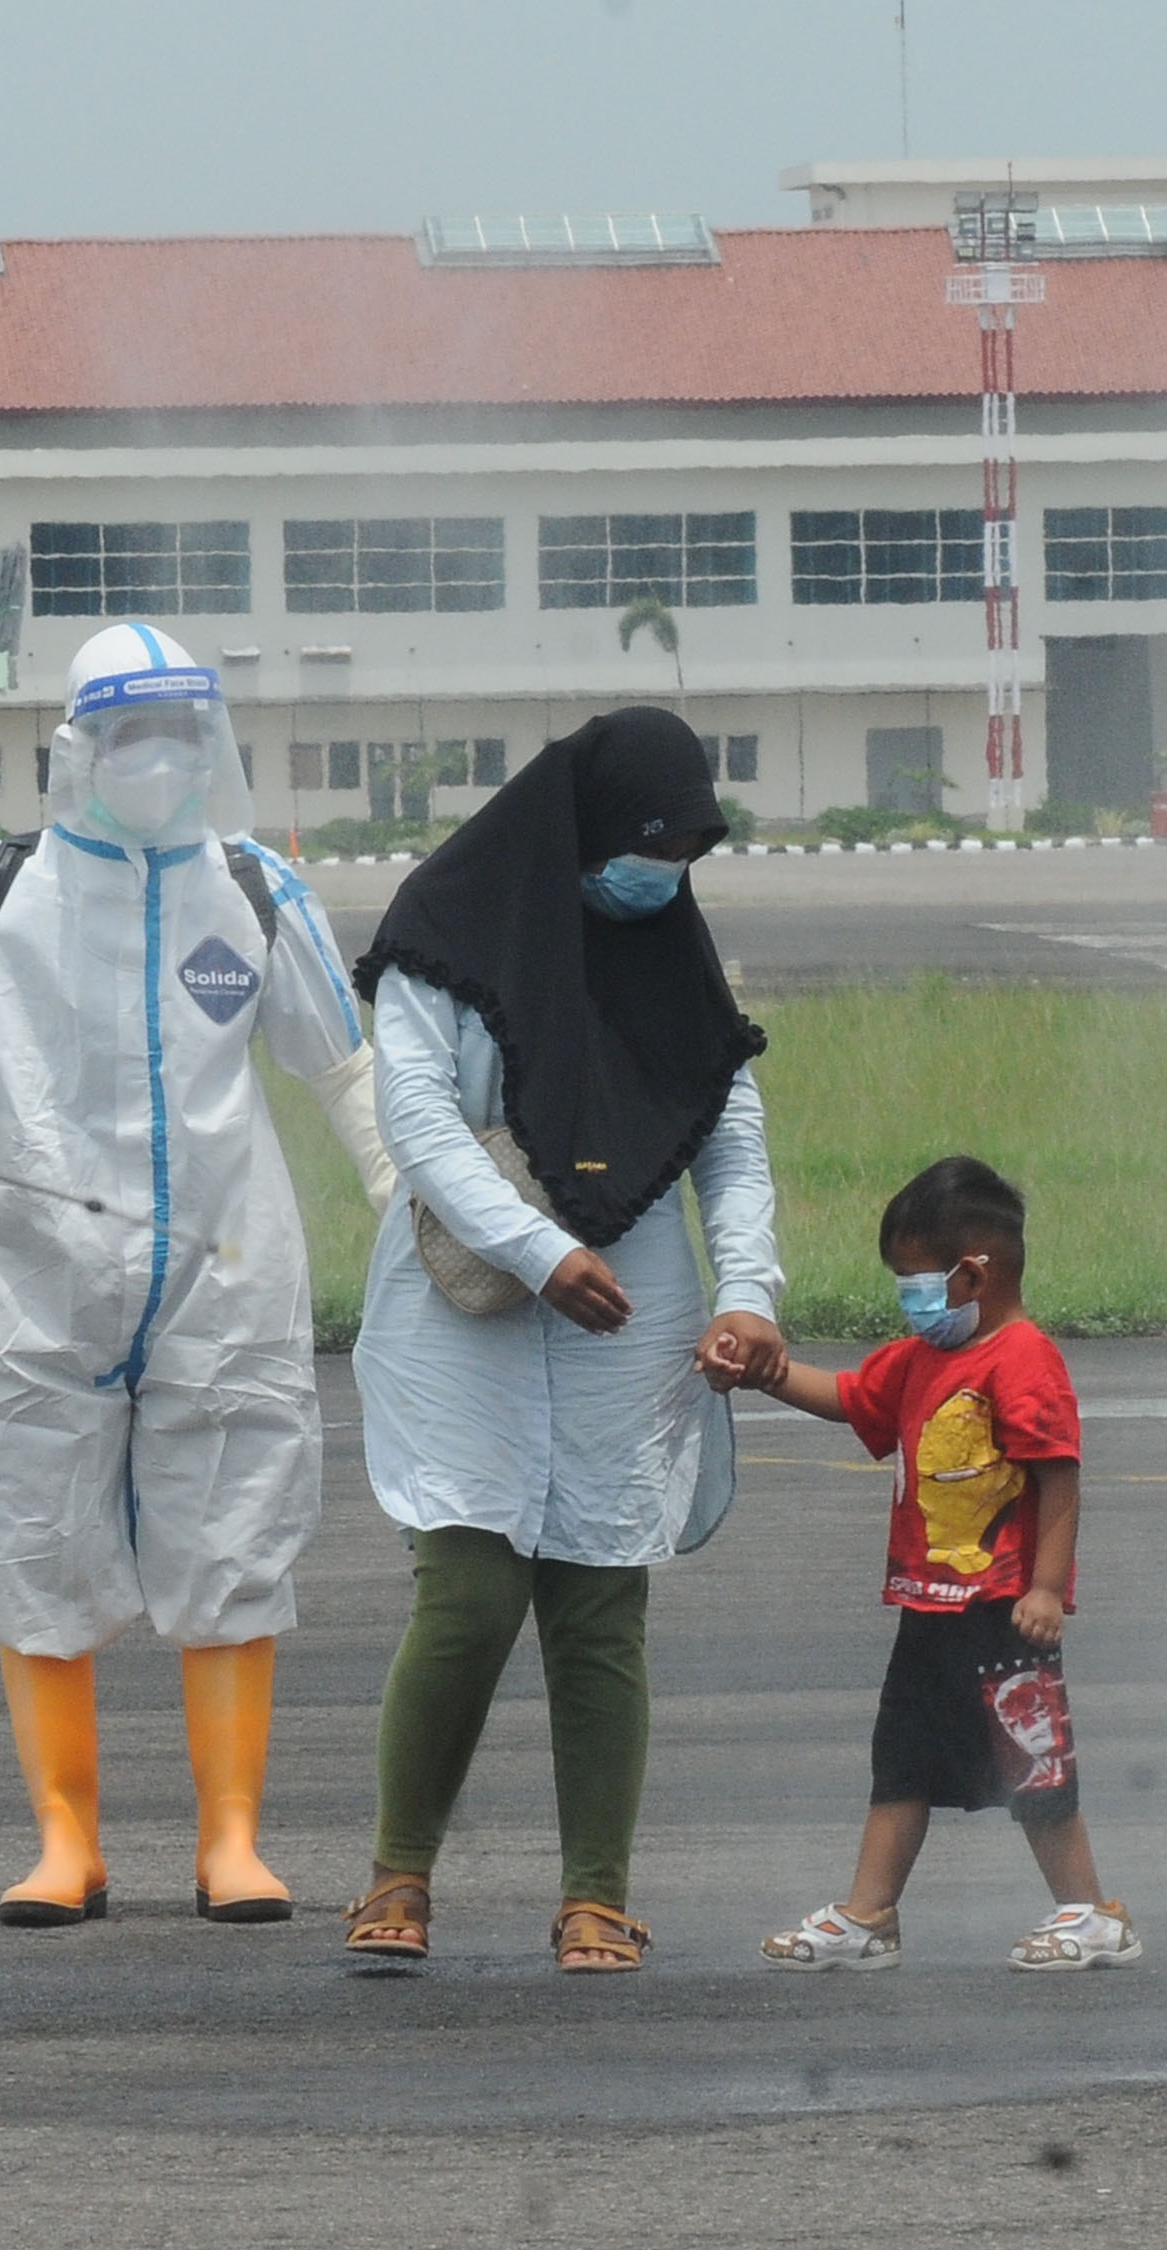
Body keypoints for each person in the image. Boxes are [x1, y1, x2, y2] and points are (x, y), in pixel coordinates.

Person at [0, 623, 392, 1926]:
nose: (159, 763)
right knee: (37, 1539)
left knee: (233, 1538)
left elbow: (343, 1064)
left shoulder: (253, 888)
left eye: (180, 738)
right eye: (132, 738)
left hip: (224, 1273)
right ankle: (65, 1839)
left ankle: (232, 1840)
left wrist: (397, 1192)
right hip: (36, 1277)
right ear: (80, 747)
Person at [337, 707, 783, 1975]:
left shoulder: (673, 958)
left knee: (600, 1603)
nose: (666, 874)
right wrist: (541, 1252)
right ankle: (399, 1877)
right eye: (653, 845)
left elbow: (728, 1138)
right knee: (469, 1597)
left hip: (628, 1308)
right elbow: (418, 1126)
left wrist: (748, 1290)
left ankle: (597, 1893)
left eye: (692, 851)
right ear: (586, 828)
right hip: (469, 1300)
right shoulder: (446, 932)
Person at [738, 1157, 1134, 1974]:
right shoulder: (920, 1358)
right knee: (902, 1757)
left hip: (1002, 1607)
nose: (907, 1299)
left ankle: (1093, 1913)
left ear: (973, 1273)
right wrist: (767, 1374)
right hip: (929, 1605)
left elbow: (1058, 1471)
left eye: (916, 1280)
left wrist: (1048, 1587)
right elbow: (852, 1397)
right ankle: (869, 1913)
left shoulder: (1023, 1360)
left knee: (1034, 1762)